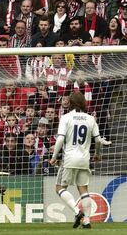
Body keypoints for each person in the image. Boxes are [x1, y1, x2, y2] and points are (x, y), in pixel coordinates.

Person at [50, 92, 111, 229]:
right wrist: (97, 154)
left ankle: (78, 212)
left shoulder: (66, 117)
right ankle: (87, 220)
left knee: (59, 187)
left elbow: (60, 139)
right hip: (84, 159)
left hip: (69, 159)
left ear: (70, 103)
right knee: (83, 190)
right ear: (84, 103)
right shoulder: (90, 119)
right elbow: (98, 140)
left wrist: (54, 157)